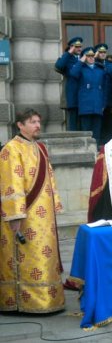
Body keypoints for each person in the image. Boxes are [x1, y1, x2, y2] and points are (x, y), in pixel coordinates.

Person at [0, 109, 65, 313]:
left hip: (44, 217)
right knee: (25, 256)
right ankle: (23, 302)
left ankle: (48, 299)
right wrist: (15, 216)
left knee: (44, 256)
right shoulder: (11, 149)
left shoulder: (40, 148)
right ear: (20, 125)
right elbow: (11, 183)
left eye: (38, 121)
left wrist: (55, 204)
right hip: (24, 215)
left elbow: (50, 178)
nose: (38, 125)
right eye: (32, 122)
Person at [55, 36, 83, 131]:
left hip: (83, 94)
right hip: (70, 93)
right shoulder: (66, 58)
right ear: (71, 47)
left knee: (82, 123)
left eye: (80, 46)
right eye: (76, 46)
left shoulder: (83, 58)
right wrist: (69, 52)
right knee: (72, 122)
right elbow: (59, 66)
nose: (79, 48)